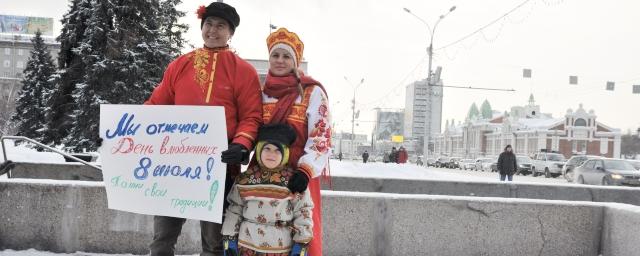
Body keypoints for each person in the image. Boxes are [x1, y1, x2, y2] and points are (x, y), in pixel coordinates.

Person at [144, 3, 263, 255]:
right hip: (174, 169)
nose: (213, 30)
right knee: (162, 239)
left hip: (217, 171)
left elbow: (251, 117)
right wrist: (126, 130)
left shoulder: (244, 71)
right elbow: (155, 106)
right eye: (208, 24)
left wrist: (241, 145)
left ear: (231, 32)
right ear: (201, 27)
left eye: (221, 26)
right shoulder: (180, 65)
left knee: (213, 243)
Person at [259, 27, 331, 256]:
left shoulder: (312, 92)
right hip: (265, 170)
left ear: (295, 60)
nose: (280, 60)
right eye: (275, 55)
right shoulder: (261, 92)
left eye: (286, 56)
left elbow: (321, 135)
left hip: (300, 173)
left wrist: (306, 171)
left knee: (301, 232)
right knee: (261, 228)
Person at [222, 124, 313, 256]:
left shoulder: (293, 182)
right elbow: (235, 208)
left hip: (280, 248)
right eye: (267, 148)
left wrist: (301, 243)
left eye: (277, 150)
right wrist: (229, 237)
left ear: (285, 153)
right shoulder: (245, 179)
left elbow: (303, 211)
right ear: (259, 150)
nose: (271, 154)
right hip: (247, 245)